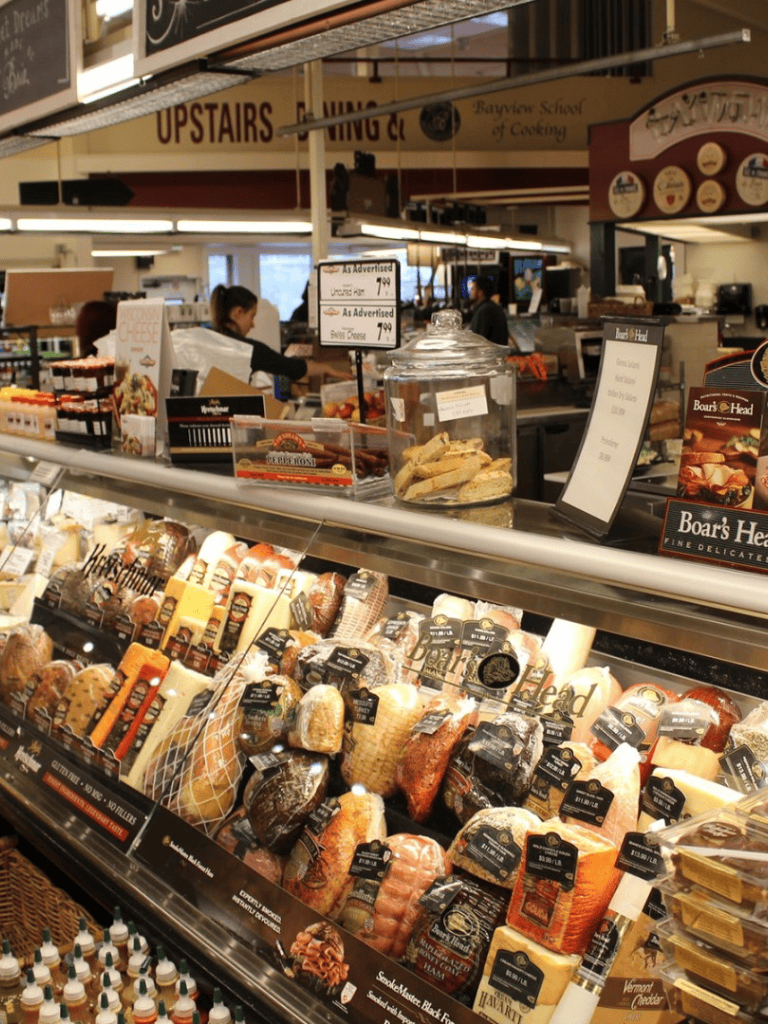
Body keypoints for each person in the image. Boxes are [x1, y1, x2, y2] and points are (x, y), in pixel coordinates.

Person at [210, 284, 312, 385]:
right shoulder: (247, 349)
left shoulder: (208, 340)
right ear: (238, 313)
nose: (252, 324)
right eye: (252, 316)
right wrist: (326, 369)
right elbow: (289, 366)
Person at [469, 275, 510, 346]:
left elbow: (478, 340)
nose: (471, 291)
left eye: (473, 288)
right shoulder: (491, 307)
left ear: (480, 292)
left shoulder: (484, 310)